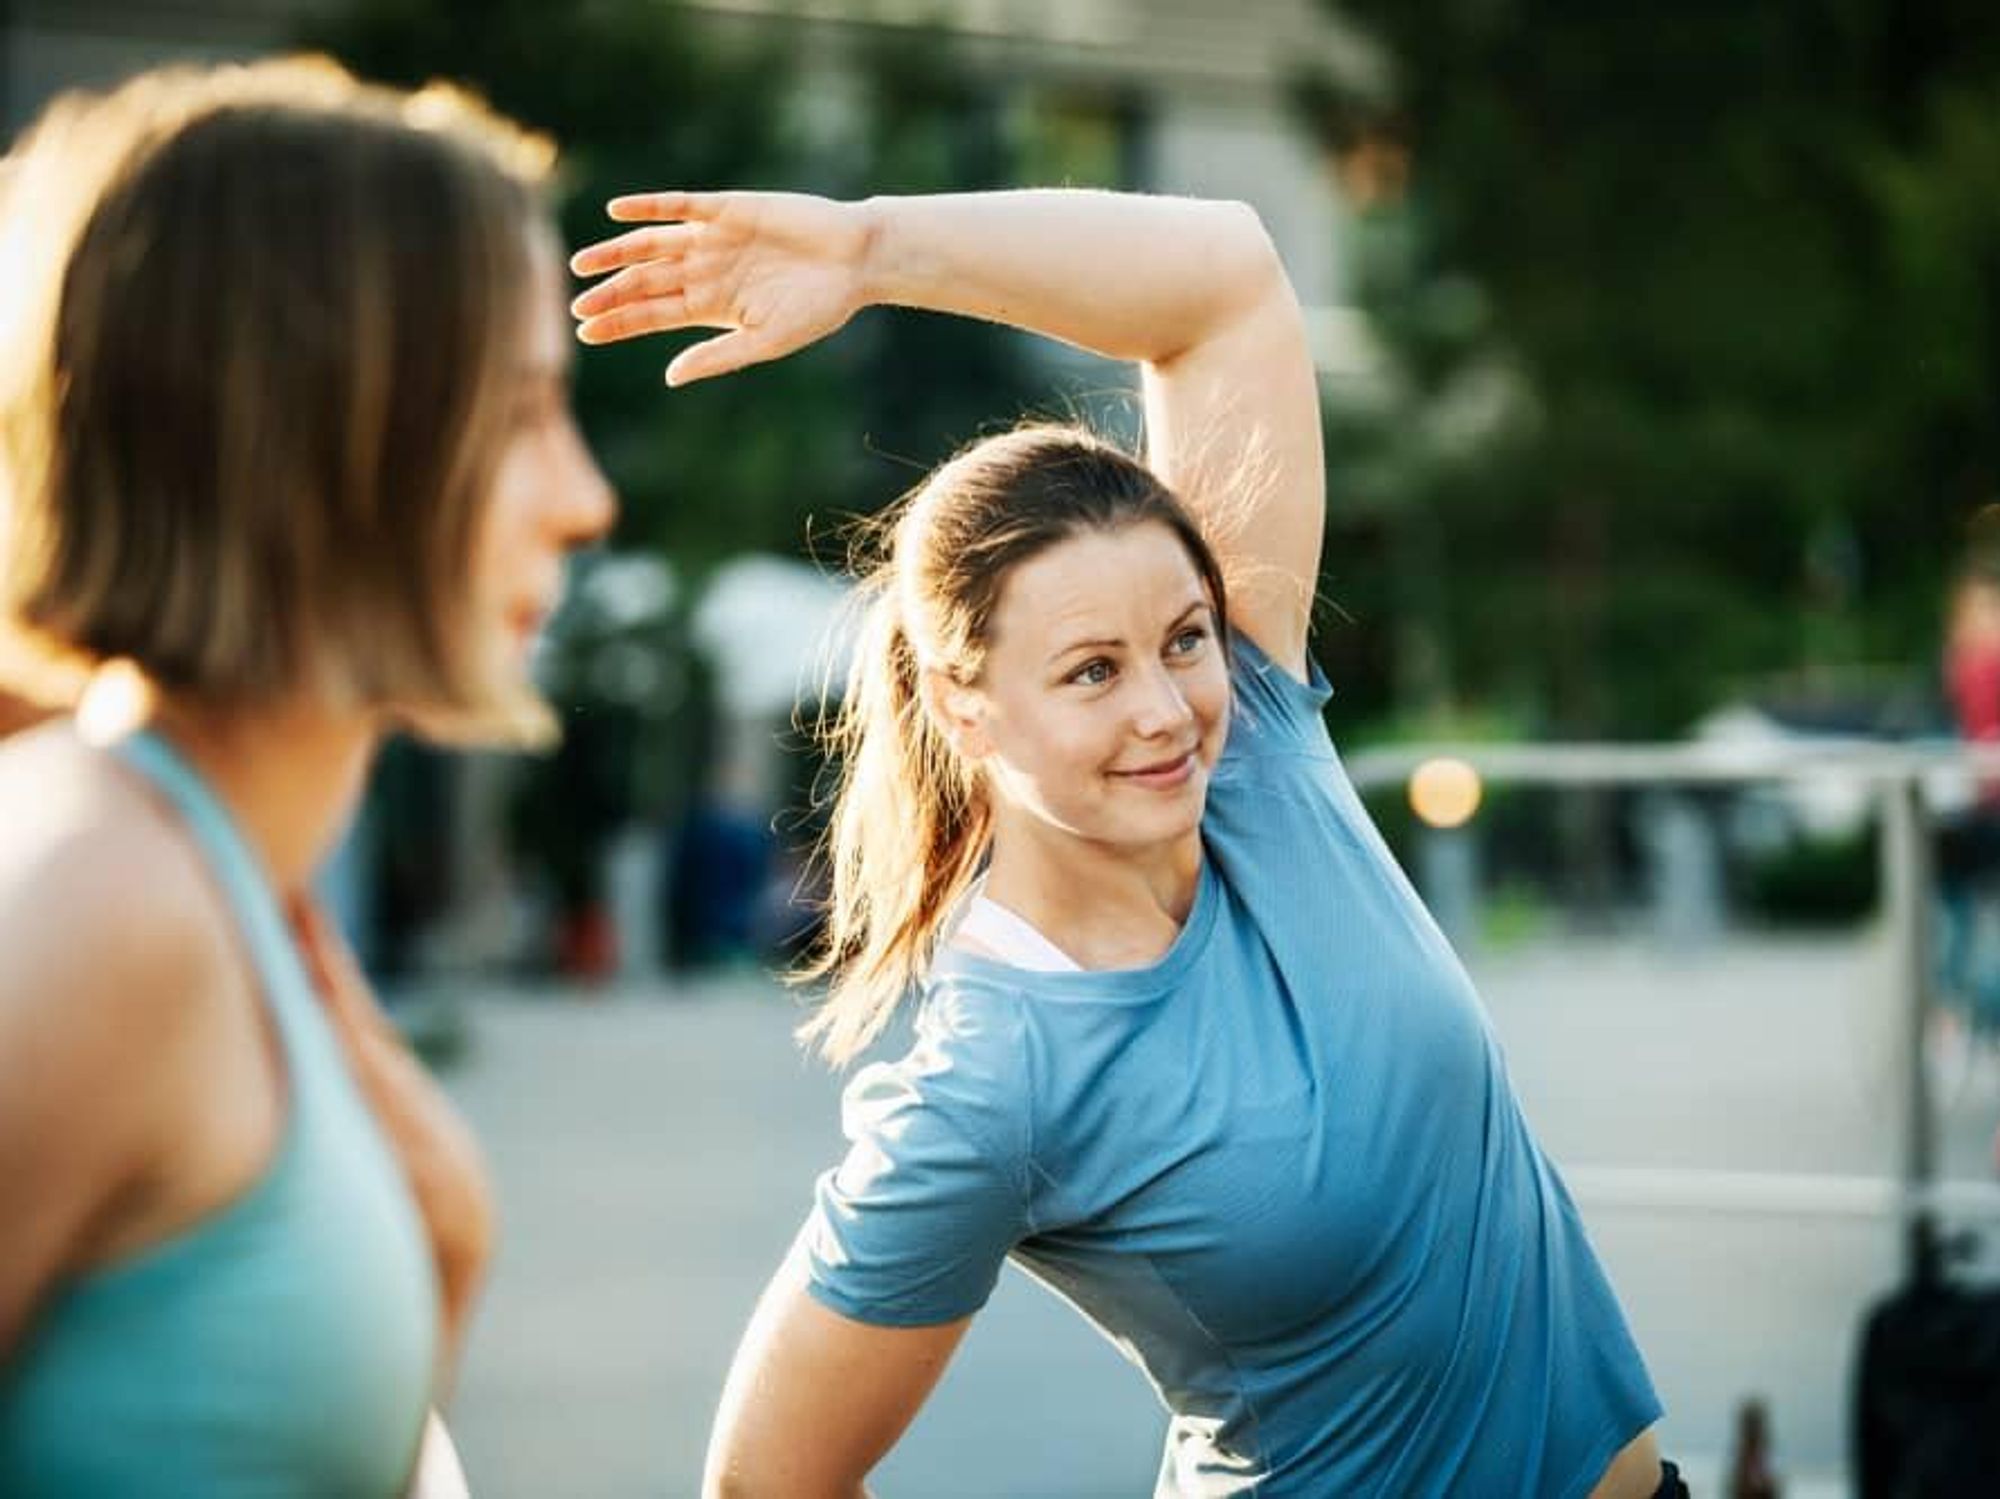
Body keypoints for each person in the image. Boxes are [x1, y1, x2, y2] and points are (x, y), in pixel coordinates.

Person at [573, 188, 1670, 1496]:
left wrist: (872, 251)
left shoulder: (1254, 739)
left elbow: (1224, 277)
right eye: (1090, 672)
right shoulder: (996, 1079)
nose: (1165, 711)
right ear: (964, 708)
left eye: (1184, 638)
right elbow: (764, 1479)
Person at [0, 57, 615, 1495]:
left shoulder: (216, 887)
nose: (586, 499)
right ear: (327, 435)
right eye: (522, 413)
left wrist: (438, 1280)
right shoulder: (103, 904)